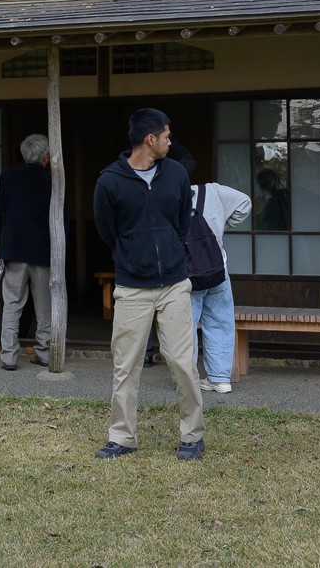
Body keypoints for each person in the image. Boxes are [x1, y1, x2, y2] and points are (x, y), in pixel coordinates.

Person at [91, 108, 205, 460]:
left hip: (174, 283)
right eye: (167, 136)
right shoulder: (109, 181)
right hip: (131, 287)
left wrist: (171, 251)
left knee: (182, 362)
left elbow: (183, 221)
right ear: (149, 139)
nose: (171, 142)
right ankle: (122, 437)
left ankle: (192, 435)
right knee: (126, 364)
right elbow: (107, 230)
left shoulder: (176, 173)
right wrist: (132, 255)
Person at [174, 152, 250, 394]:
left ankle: (187, 380)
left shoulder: (166, 198)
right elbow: (245, 202)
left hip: (185, 274)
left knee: (184, 327)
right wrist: (222, 227)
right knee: (220, 322)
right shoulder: (213, 192)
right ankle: (219, 379)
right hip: (217, 270)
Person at [0, 133, 56, 371]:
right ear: (45, 156)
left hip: (14, 248)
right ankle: (44, 353)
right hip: (43, 250)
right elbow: (61, 216)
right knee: (44, 306)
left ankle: (9, 356)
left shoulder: (9, 177)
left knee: (12, 304)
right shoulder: (52, 179)